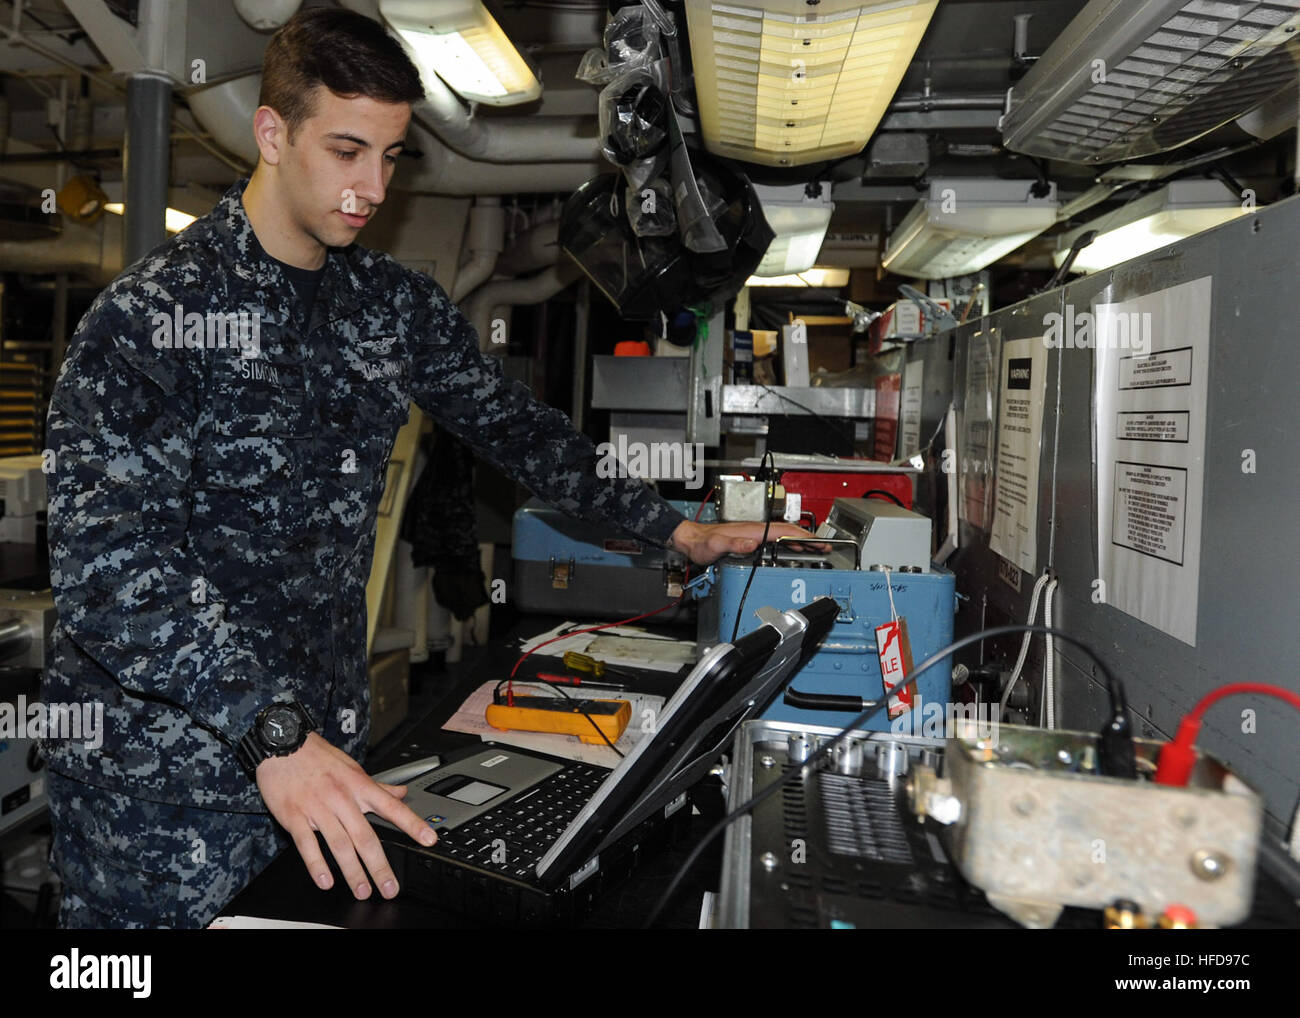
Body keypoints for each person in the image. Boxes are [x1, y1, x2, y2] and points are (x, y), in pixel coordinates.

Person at [41, 6, 813, 929]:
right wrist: (269, 731)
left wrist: (678, 529)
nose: (371, 187)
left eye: (392, 157)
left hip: (322, 757)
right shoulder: (150, 318)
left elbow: (517, 431)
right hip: (164, 795)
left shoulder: (390, 306)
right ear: (272, 133)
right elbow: (107, 575)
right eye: (346, 150)